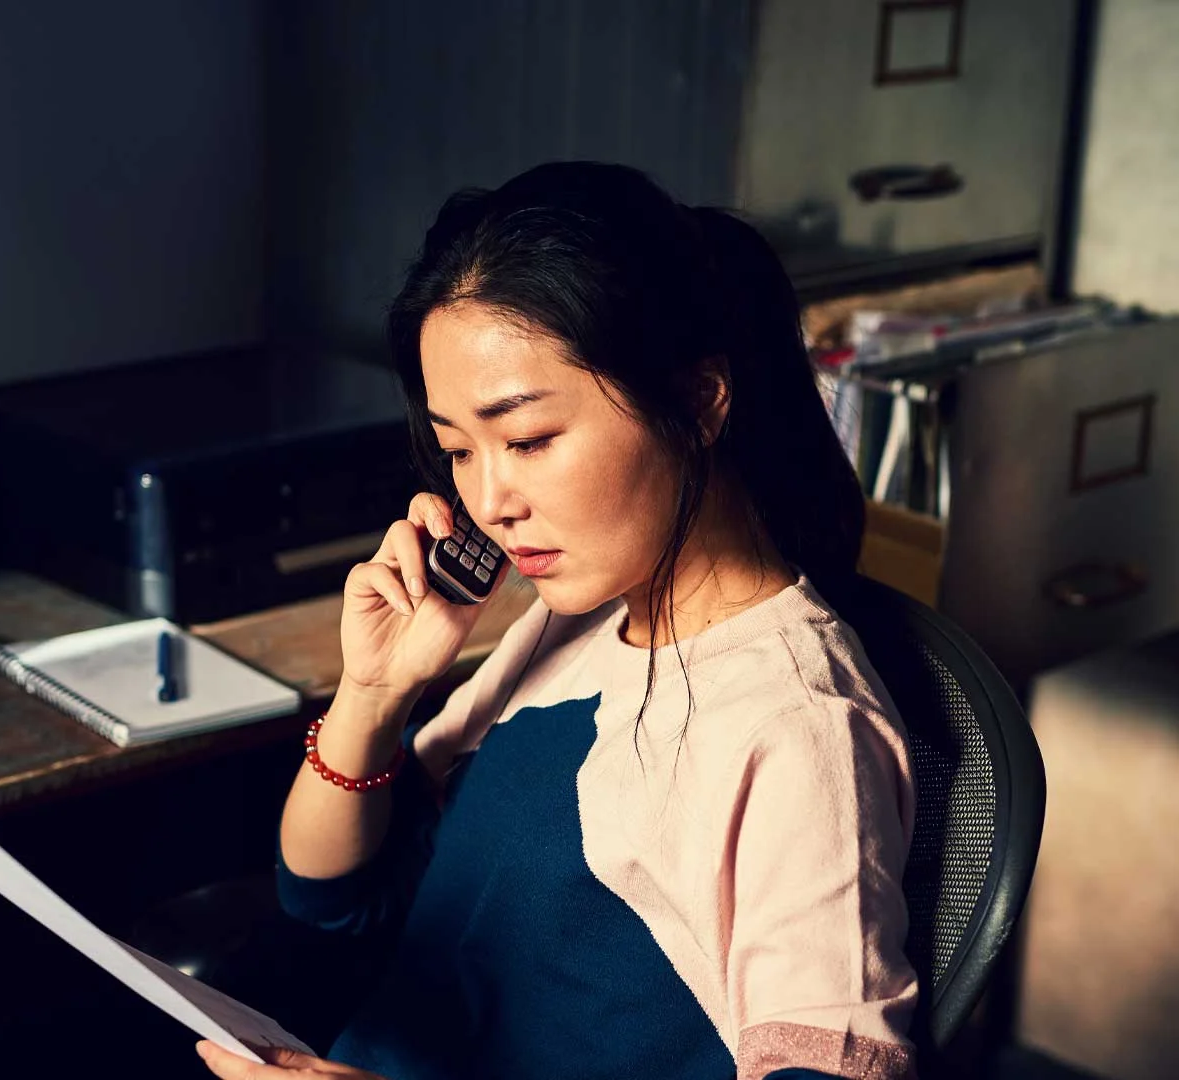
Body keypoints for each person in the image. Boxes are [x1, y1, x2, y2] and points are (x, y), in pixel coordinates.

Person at [200, 162, 919, 1080]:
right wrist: (374, 694)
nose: (490, 500)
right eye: (459, 449)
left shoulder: (797, 724)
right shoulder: (574, 619)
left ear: (698, 402)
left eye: (529, 440)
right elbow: (328, 897)